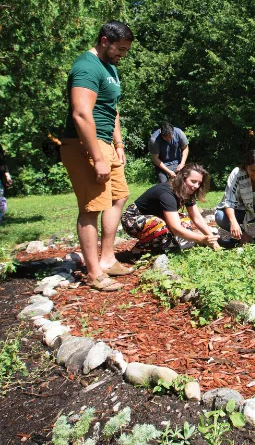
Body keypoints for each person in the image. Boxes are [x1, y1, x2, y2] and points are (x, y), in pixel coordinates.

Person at [60, 20, 134, 292]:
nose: (122, 55)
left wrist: (119, 144)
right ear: (105, 41)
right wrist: (98, 157)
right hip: (85, 145)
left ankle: (107, 258)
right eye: (120, 49)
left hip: (107, 144)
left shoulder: (110, 67)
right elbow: (81, 113)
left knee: (119, 195)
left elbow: (112, 109)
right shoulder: (86, 67)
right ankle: (93, 273)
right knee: (91, 208)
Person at [122, 163, 218, 251]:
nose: (196, 186)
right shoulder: (166, 193)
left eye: (199, 183)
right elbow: (175, 228)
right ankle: (139, 249)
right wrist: (202, 239)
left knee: (185, 221)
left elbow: (196, 217)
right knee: (159, 225)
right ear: (182, 179)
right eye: (193, 181)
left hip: (154, 218)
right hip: (131, 220)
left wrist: (211, 238)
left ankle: (163, 244)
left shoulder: (187, 193)